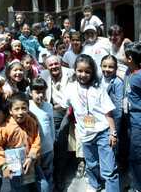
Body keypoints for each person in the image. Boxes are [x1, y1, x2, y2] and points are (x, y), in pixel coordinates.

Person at [64, 54, 120, 192]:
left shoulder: (98, 88)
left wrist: (113, 133)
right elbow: (64, 106)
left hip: (103, 133)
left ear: (92, 72)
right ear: (75, 70)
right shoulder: (70, 88)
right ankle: (95, 185)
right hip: (85, 134)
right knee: (92, 164)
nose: (83, 74)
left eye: (87, 71)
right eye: (80, 71)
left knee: (109, 170)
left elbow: (108, 113)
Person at [0, 92, 41, 192]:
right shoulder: (6, 128)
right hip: (15, 168)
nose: (20, 112)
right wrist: (3, 165)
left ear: (28, 108)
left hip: (31, 163)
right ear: (10, 110)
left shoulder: (31, 122)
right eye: (16, 109)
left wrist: (32, 156)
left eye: (24, 108)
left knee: (43, 187)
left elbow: (37, 140)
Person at [40, 55, 74, 191]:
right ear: (46, 67)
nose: (54, 67)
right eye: (51, 65)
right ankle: (53, 173)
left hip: (69, 108)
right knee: (51, 137)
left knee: (61, 138)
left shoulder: (70, 73)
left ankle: (59, 176)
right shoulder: (43, 75)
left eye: (56, 64)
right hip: (53, 108)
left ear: (60, 64)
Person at [29, 77, 55, 191]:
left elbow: (52, 126)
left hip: (48, 149)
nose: (40, 95)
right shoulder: (27, 106)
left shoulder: (48, 106)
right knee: (36, 177)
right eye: (37, 92)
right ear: (30, 93)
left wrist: (52, 142)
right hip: (34, 151)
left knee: (48, 172)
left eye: (42, 92)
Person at [123, 42, 141, 191]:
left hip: (138, 121)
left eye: (124, 55)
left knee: (137, 155)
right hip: (129, 120)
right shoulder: (128, 72)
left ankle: (137, 186)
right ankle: (134, 181)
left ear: (129, 58)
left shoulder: (139, 76)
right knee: (132, 153)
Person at [100, 55, 124, 141]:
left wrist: (114, 130)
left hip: (112, 121)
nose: (107, 69)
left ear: (116, 68)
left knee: (112, 146)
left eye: (110, 67)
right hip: (100, 119)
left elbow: (118, 109)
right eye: (104, 66)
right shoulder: (98, 80)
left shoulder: (118, 83)